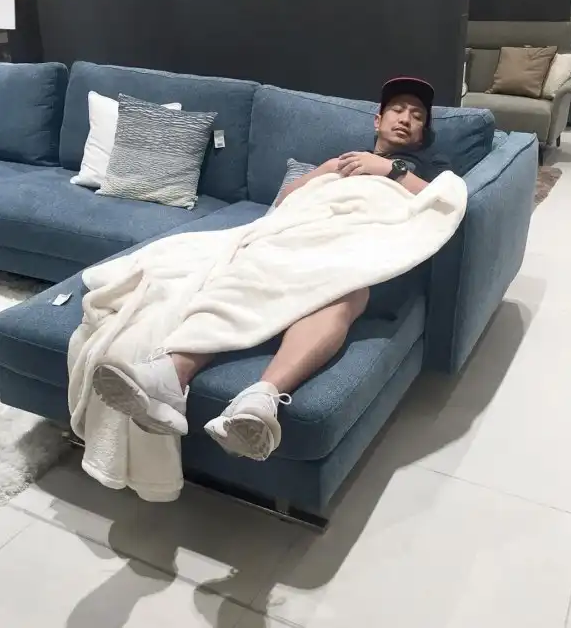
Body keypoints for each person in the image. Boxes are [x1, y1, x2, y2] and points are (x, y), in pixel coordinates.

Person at [93, 77, 451, 461]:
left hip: (361, 248)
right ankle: (171, 375)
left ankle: (262, 397)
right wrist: (327, 171)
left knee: (344, 288)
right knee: (251, 267)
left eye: (417, 116)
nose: (406, 119)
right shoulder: (345, 160)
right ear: (377, 121)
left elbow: (446, 203)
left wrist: (389, 170)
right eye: (397, 110)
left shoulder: (430, 169)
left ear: (421, 134)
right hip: (307, 234)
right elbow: (286, 203)